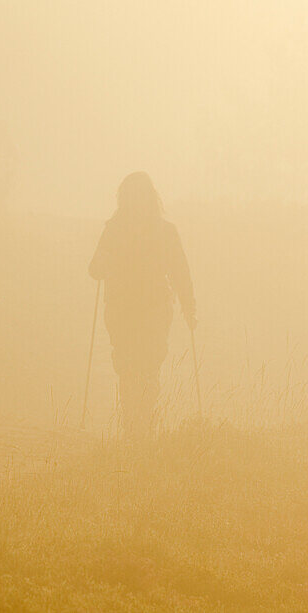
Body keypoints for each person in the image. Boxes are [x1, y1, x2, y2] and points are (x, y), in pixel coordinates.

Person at [88, 172, 195, 441]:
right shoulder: (121, 230)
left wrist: (189, 306)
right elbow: (94, 269)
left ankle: (139, 427)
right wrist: (188, 307)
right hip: (133, 312)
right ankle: (137, 428)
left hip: (146, 311)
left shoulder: (121, 229)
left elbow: (180, 271)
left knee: (141, 368)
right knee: (134, 368)